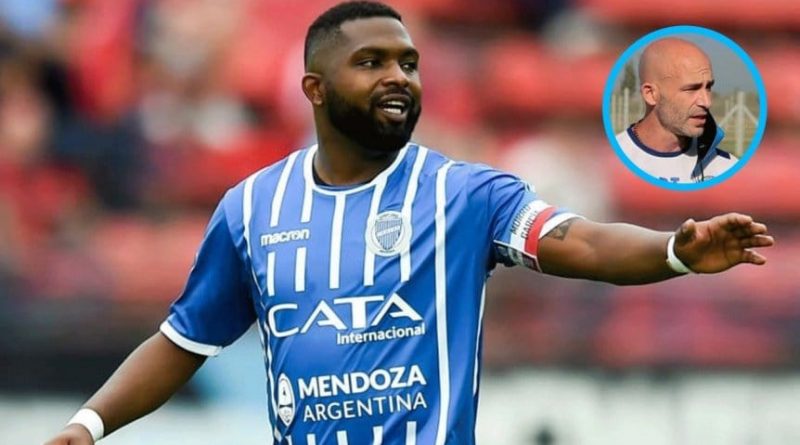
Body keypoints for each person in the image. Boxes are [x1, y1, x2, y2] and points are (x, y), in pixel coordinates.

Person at [46, 2, 773, 444]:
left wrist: (673, 251)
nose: (399, 76)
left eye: (409, 62)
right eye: (372, 62)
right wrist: (89, 424)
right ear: (315, 88)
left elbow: (576, 240)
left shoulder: (463, 193)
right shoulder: (252, 207)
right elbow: (184, 340)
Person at [616, 37, 738, 183]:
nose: (706, 102)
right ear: (651, 94)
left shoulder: (726, 168)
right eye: (691, 89)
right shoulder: (608, 164)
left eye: (708, 87)